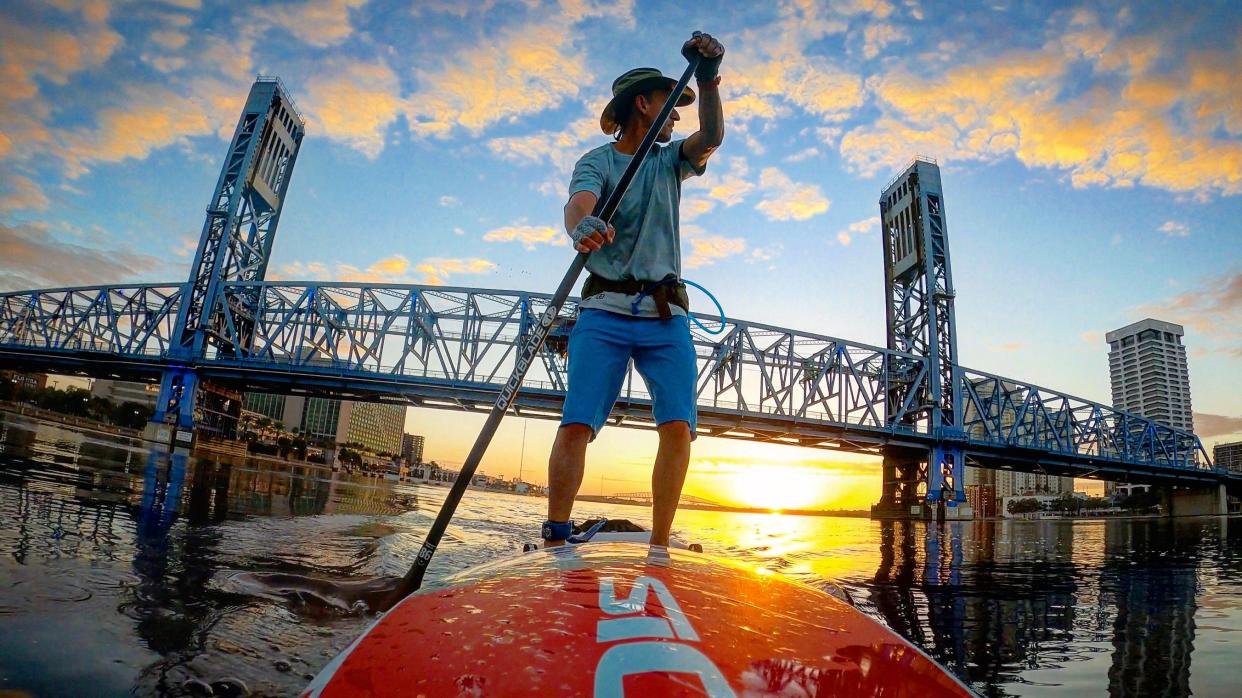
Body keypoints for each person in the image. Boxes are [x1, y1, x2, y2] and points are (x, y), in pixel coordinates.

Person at [542, 33, 726, 548]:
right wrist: (582, 226)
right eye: (670, 105)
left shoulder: (672, 162)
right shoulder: (598, 161)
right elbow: (577, 205)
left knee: (677, 427)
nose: (677, 118)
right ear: (643, 103)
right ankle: (557, 534)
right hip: (603, 309)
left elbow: (710, 135)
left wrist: (709, 78)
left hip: (667, 318)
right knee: (577, 423)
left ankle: (660, 544)